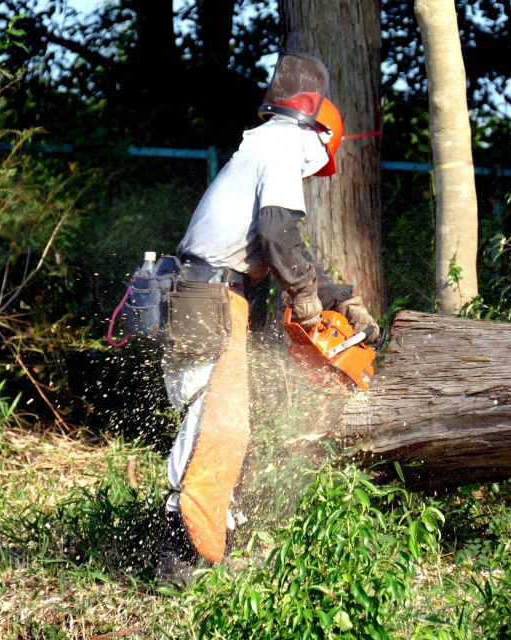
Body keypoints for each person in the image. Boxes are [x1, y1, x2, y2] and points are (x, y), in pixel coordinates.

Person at [154, 52, 380, 586]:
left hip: (215, 294)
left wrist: (341, 299)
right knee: (214, 423)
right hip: (209, 297)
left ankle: (208, 540)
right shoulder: (284, 143)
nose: (314, 170)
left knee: (226, 424)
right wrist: (303, 293)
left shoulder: (261, 146)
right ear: (314, 122)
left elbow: (280, 245)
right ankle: (179, 554)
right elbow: (280, 232)